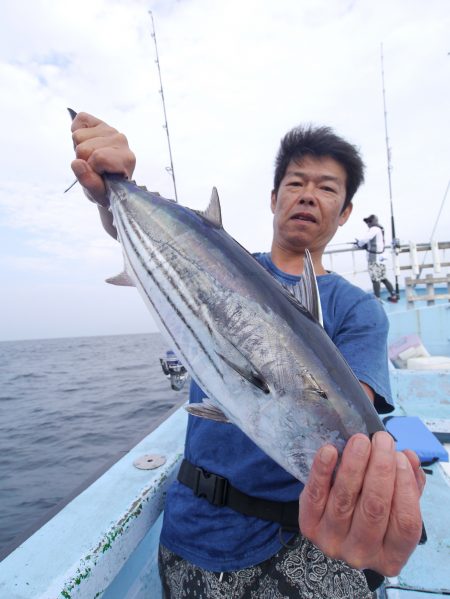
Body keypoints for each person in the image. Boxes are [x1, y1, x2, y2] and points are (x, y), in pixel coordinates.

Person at [71, 113, 425, 599]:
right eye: (295, 182)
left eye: (326, 188)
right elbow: (159, 244)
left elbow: (337, 414)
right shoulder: (220, 256)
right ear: (273, 198)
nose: (306, 195)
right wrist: (114, 186)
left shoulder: (359, 310)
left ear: (344, 213)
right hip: (193, 532)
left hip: (300, 541)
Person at [355, 214, 398, 302]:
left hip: (374, 259)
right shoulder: (380, 229)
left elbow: (364, 240)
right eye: (367, 222)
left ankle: (377, 299)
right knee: (383, 278)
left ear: (374, 221)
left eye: (369, 221)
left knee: (375, 279)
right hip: (381, 258)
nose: (368, 223)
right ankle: (394, 295)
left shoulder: (374, 229)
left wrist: (359, 244)